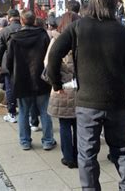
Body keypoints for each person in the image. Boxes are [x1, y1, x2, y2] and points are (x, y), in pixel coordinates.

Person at [47, 0, 125, 191]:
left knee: (87, 154)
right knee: (123, 151)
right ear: (114, 5)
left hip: (87, 102)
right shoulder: (122, 31)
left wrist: (56, 83)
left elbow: (54, 54)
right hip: (117, 102)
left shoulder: (78, 27)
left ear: (93, 3)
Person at [6, 10, 55, 151]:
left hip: (21, 79)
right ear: (34, 21)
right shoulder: (42, 35)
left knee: (23, 112)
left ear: (21, 21)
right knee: (45, 111)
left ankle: (25, 141)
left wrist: (12, 74)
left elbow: (8, 61)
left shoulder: (14, 38)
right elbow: (49, 57)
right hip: (41, 79)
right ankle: (47, 140)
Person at [45, 11, 80, 169]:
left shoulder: (56, 40)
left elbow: (49, 64)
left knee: (65, 124)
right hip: (81, 88)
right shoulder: (83, 39)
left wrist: (56, 84)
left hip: (63, 88)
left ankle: (68, 158)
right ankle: (80, 156)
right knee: (79, 124)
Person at [0, 9, 22, 123]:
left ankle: (12, 113)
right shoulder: (24, 29)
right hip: (24, 62)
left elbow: (0, 49)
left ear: (8, 18)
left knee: (9, 89)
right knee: (25, 87)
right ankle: (28, 113)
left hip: (8, 63)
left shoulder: (4, 31)